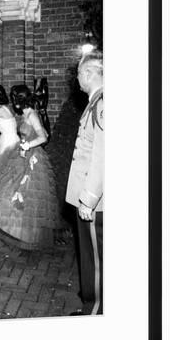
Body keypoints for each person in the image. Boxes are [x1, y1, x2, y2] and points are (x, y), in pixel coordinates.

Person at [0, 84, 64, 250]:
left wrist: (28, 145)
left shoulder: (32, 114)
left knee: (28, 195)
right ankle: (12, 229)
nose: (13, 102)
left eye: (15, 98)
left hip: (33, 159)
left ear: (21, 98)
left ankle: (28, 236)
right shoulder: (24, 113)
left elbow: (44, 137)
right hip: (21, 154)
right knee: (11, 189)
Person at [66, 52, 104, 315]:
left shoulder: (102, 104)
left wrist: (88, 198)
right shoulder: (95, 103)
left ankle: (96, 312)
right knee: (90, 258)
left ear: (89, 73)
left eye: (79, 73)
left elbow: (103, 156)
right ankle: (90, 303)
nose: (77, 78)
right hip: (90, 199)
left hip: (95, 202)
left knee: (97, 260)